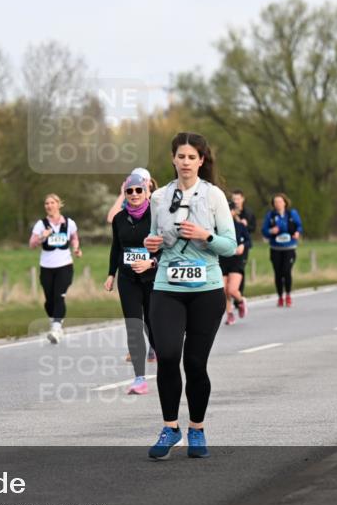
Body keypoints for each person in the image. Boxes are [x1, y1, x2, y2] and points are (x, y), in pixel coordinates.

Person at [143, 132, 237, 459]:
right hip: (167, 288)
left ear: (201, 161)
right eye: (180, 156)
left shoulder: (214, 197)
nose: (185, 162)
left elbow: (229, 244)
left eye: (191, 157)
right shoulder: (158, 198)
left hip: (206, 290)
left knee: (195, 363)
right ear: (173, 159)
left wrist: (204, 234)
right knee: (167, 356)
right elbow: (155, 238)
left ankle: (196, 429)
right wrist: (150, 246)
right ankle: (170, 427)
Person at [104, 173, 158, 395]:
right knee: (134, 325)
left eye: (138, 190)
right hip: (128, 279)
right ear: (124, 194)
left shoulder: (156, 216)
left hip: (153, 277)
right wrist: (111, 275)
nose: (134, 194)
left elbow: (166, 246)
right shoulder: (119, 219)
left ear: (146, 192)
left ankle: (163, 362)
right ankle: (139, 378)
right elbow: (117, 248)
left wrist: (151, 262)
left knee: (153, 324)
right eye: (130, 191)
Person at [30, 193, 82, 343]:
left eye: (52, 203)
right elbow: (32, 244)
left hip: (65, 265)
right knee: (49, 300)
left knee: (59, 296)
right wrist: (42, 237)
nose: (49, 206)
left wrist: (77, 248)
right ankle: (57, 323)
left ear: (59, 204)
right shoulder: (41, 224)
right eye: (46, 203)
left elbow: (74, 238)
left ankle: (56, 327)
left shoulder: (69, 223)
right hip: (46, 266)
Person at [262, 193, 303, 307]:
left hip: (289, 248)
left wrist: (297, 233)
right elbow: (264, 230)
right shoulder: (270, 215)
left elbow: (299, 226)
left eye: (280, 201)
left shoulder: (292, 214)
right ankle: (280, 296)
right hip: (275, 248)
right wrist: (271, 231)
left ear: (285, 202)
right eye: (275, 202)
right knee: (278, 273)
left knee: (286, 271)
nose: (278, 204)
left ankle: (288, 295)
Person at [221, 201, 252, 325]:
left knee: (232, 290)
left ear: (233, 211)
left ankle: (240, 301)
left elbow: (249, 242)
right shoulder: (218, 227)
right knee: (223, 290)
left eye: (228, 210)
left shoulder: (240, 226)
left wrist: (243, 246)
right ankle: (229, 314)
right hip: (222, 259)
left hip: (236, 260)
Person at [230, 189, 256, 298]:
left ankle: (239, 294)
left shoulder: (248, 213)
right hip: (230, 245)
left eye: (238, 199)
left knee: (240, 269)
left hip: (243, 244)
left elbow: (253, 228)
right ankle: (231, 295)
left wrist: (246, 225)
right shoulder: (228, 210)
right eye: (234, 199)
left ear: (242, 199)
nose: (236, 201)